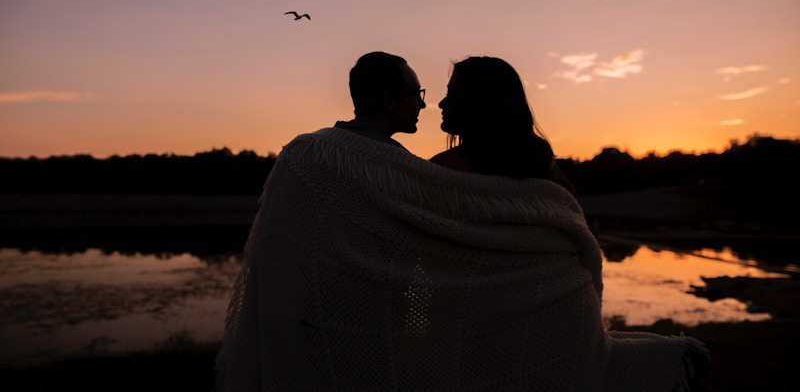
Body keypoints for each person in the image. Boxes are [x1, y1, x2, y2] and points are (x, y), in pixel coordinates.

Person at [215, 53, 710, 392]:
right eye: (426, 93)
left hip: (545, 327)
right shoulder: (544, 168)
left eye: (449, 94)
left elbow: (414, 260)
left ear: (480, 105)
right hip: (568, 328)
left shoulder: (441, 176)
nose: (439, 104)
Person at [430, 55, 575, 194]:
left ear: (483, 105)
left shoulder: (440, 169)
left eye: (454, 97)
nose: (441, 104)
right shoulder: (541, 165)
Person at [333, 51, 426, 150]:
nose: (423, 104)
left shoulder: (319, 145)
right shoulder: (399, 162)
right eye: (416, 94)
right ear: (389, 101)